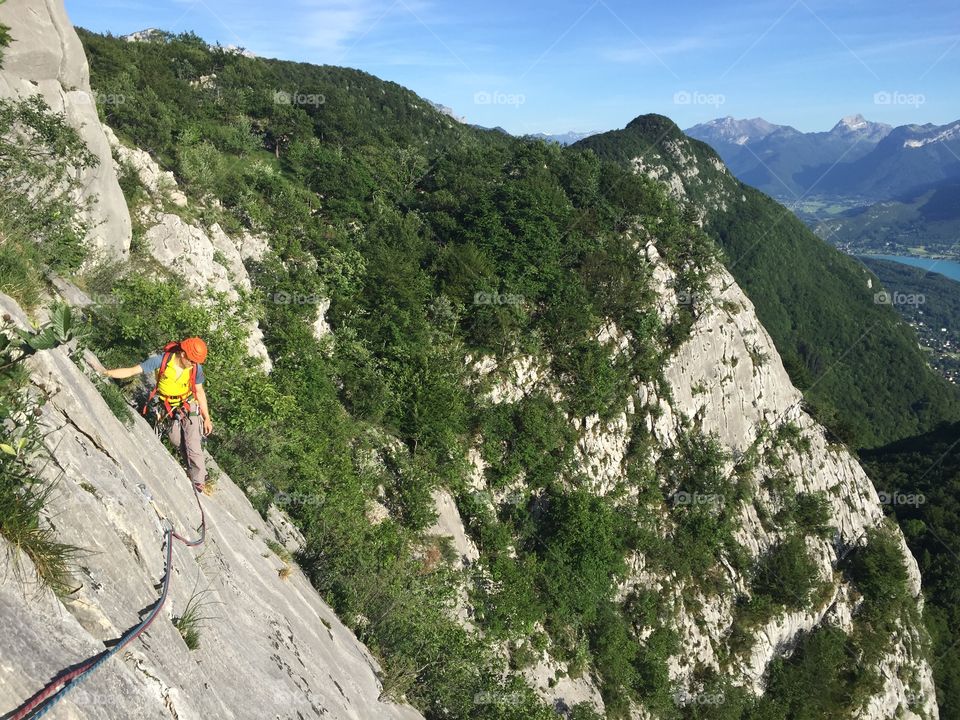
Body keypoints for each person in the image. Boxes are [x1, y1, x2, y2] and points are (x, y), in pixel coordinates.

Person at [102, 338, 213, 492]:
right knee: (176, 440)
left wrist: (206, 417)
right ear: (182, 354)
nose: (194, 364)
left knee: (192, 442)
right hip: (169, 408)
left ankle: (198, 480)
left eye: (196, 361)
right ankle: (195, 469)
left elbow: (199, 392)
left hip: (189, 405)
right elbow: (133, 370)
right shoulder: (162, 361)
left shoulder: (196, 369)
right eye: (192, 360)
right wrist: (105, 373)